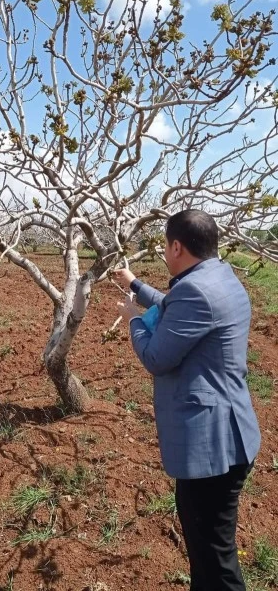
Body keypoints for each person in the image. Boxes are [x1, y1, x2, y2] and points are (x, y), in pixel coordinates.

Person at [114, 209, 261, 591]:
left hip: (213, 449)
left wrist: (132, 318)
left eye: (166, 245)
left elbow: (157, 358)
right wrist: (136, 285)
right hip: (228, 433)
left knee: (214, 555)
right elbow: (176, 306)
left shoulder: (194, 291)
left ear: (176, 246)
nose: (165, 252)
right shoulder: (218, 276)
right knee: (206, 549)